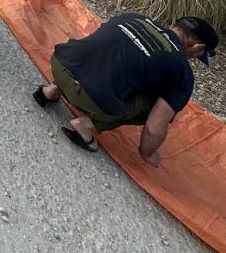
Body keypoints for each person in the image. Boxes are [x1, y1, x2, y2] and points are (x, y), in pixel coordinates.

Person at [33, 14, 218, 159]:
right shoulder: (182, 72)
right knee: (155, 105)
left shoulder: (133, 17)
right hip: (90, 96)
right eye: (197, 56)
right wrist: (147, 154)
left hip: (60, 64)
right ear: (198, 48)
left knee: (103, 56)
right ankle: (85, 126)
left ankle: (50, 91)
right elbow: (154, 127)